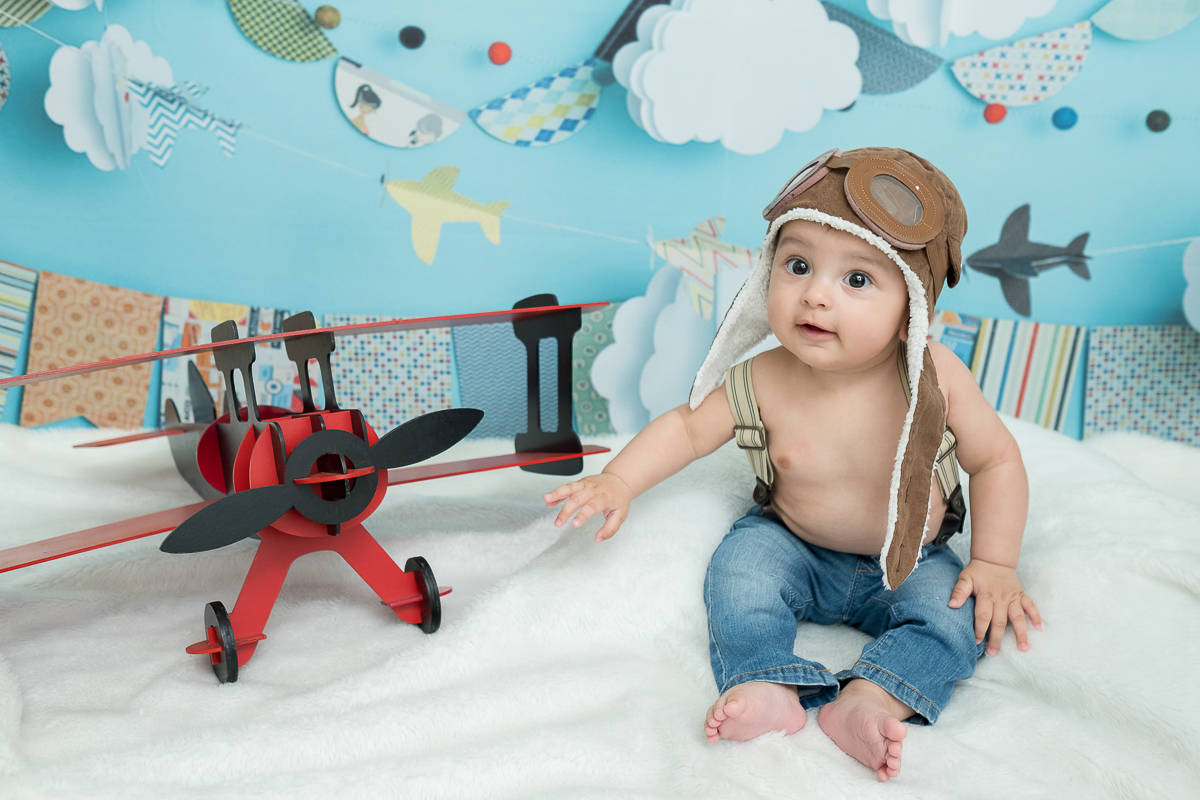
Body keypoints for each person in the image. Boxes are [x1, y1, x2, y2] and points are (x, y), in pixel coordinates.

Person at [544, 148, 1043, 782]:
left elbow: (996, 458)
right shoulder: (765, 375)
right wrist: (620, 478)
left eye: (857, 280)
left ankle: (871, 697)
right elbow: (690, 426)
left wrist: (994, 562)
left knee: (957, 618)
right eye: (798, 265)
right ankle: (765, 682)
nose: (815, 296)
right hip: (795, 544)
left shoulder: (936, 378)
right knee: (739, 576)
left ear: (911, 307)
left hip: (910, 560)